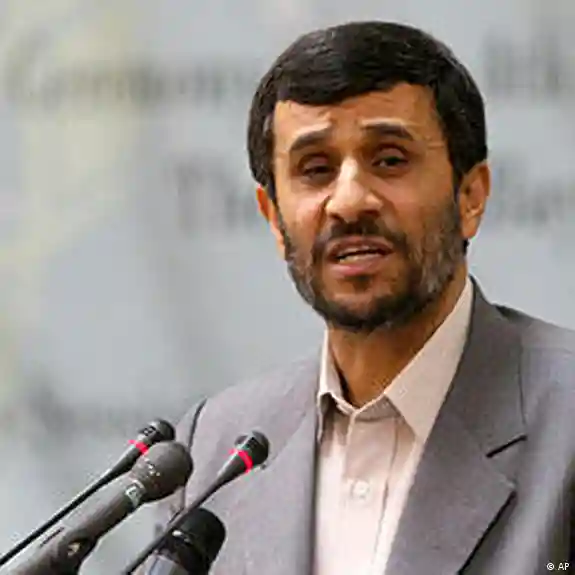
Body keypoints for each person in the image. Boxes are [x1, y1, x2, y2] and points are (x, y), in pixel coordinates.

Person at [149, 21, 575, 575]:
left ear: (470, 196)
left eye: (390, 160)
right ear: (274, 218)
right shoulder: (213, 449)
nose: (349, 201)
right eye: (315, 170)